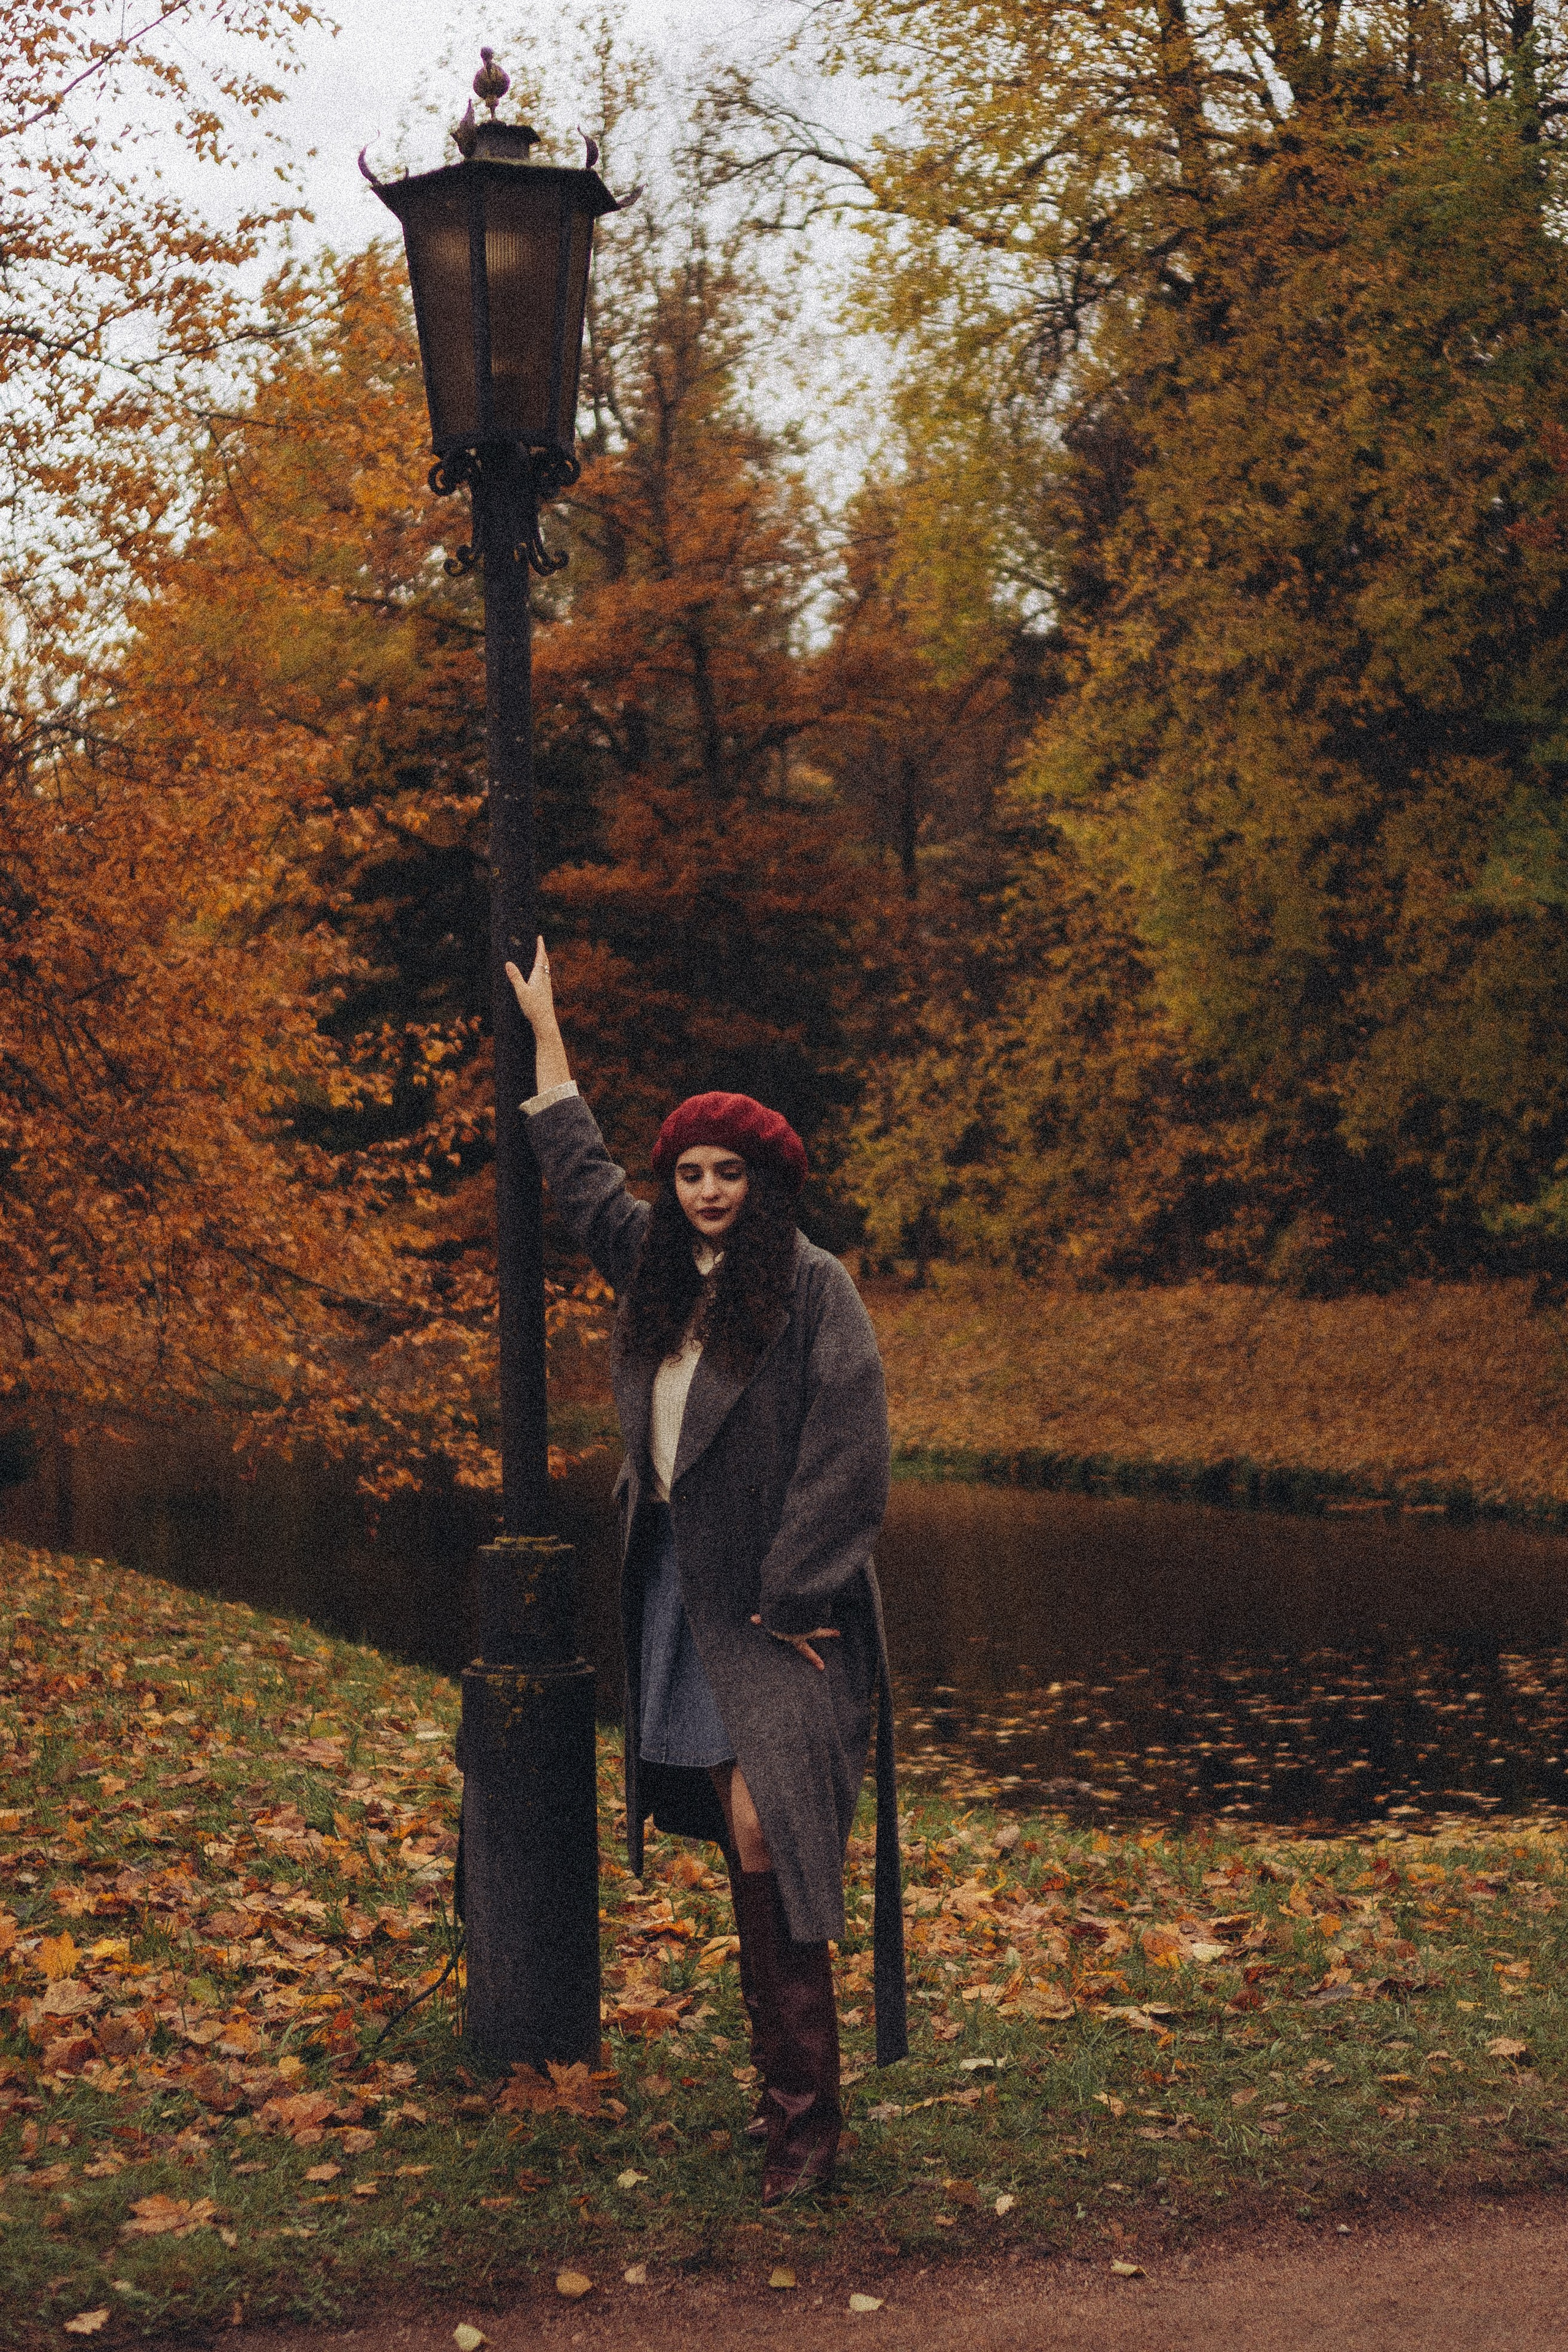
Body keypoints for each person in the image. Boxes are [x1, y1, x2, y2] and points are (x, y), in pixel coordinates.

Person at [507, 940, 907, 2206]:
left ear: (766, 1180)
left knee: (768, 1834)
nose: (705, 1192)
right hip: (676, 1597)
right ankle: (787, 2118)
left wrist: (796, 1598)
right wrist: (548, 1034)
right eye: (688, 1172)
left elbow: (850, 1452)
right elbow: (578, 1178)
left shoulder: (811, 1290)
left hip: (790, 1610)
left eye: (728, 1173)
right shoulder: (652, 1273)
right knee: (745, 1848)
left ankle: (805, 2133)